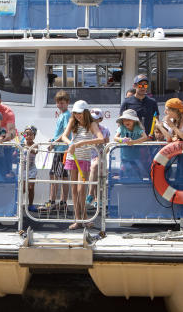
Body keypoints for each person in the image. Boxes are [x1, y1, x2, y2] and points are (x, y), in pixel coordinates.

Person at [57, 100, 104, 229]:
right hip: (72, 158)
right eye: (76, 113)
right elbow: (64, 136)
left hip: (84, 159)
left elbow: (101, 138)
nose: (78, 115)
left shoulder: (92, 124)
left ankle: (84, 218)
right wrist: (70, 143)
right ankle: (79, 220)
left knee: (80, 190)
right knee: (74, 190)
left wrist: (80, 144)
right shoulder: (73, 121)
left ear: (86, 112)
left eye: (80, 113)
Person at [46, 90, 72, 212]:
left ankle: (55, 202)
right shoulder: (61, 115)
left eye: (62, 103)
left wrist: (54, 142)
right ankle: (61, 202)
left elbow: (65, 132)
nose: (60, 105)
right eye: (58, 103)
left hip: (62, 150)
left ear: (67, 103)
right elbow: (60, 132)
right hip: (59, 149)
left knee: (56, 175)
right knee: (60, 175)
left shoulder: (66, 115)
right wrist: (53, 140)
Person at [114, 109, 147, 180]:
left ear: (134, 121)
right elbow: (115, 138)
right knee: (124, 172)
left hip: (136, 157)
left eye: (129, 119)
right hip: (124, 156)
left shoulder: (137, 128)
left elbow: (145, 137)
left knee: (138, 173)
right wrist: (122, 140)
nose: (126, 122)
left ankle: (138, 184)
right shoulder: (121, 127)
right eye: (124, 120)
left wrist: (133, 142)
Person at [21, 125, 39, 206]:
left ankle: (31, 205)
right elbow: (15, 154)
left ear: (34, 136)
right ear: (24, 135)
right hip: (23, 170)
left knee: (31, 188)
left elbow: (35, 151)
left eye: (31, 134)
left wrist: (26, 147)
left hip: (32, 169)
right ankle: (18, 205)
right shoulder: (21, 143)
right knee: (23, 189)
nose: (29, 136)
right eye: (27, 134)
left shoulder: (35, 145)